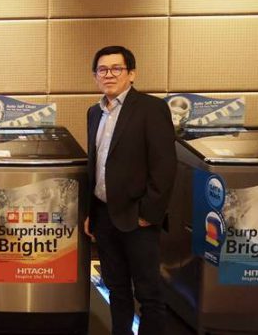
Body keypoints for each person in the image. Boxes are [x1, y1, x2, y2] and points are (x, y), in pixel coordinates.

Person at [83, 45, 176, 335]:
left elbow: (164, 166)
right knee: (116, 288)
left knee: (149, 294)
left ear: (131, 74)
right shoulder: (94, 112)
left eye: (116, 68)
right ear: (95, 76)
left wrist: (149, 214)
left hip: (138, 218)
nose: (108, 75)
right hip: (104, 215)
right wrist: (90, 213)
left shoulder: (151, 109)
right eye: (102, 70)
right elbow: (95, 165)